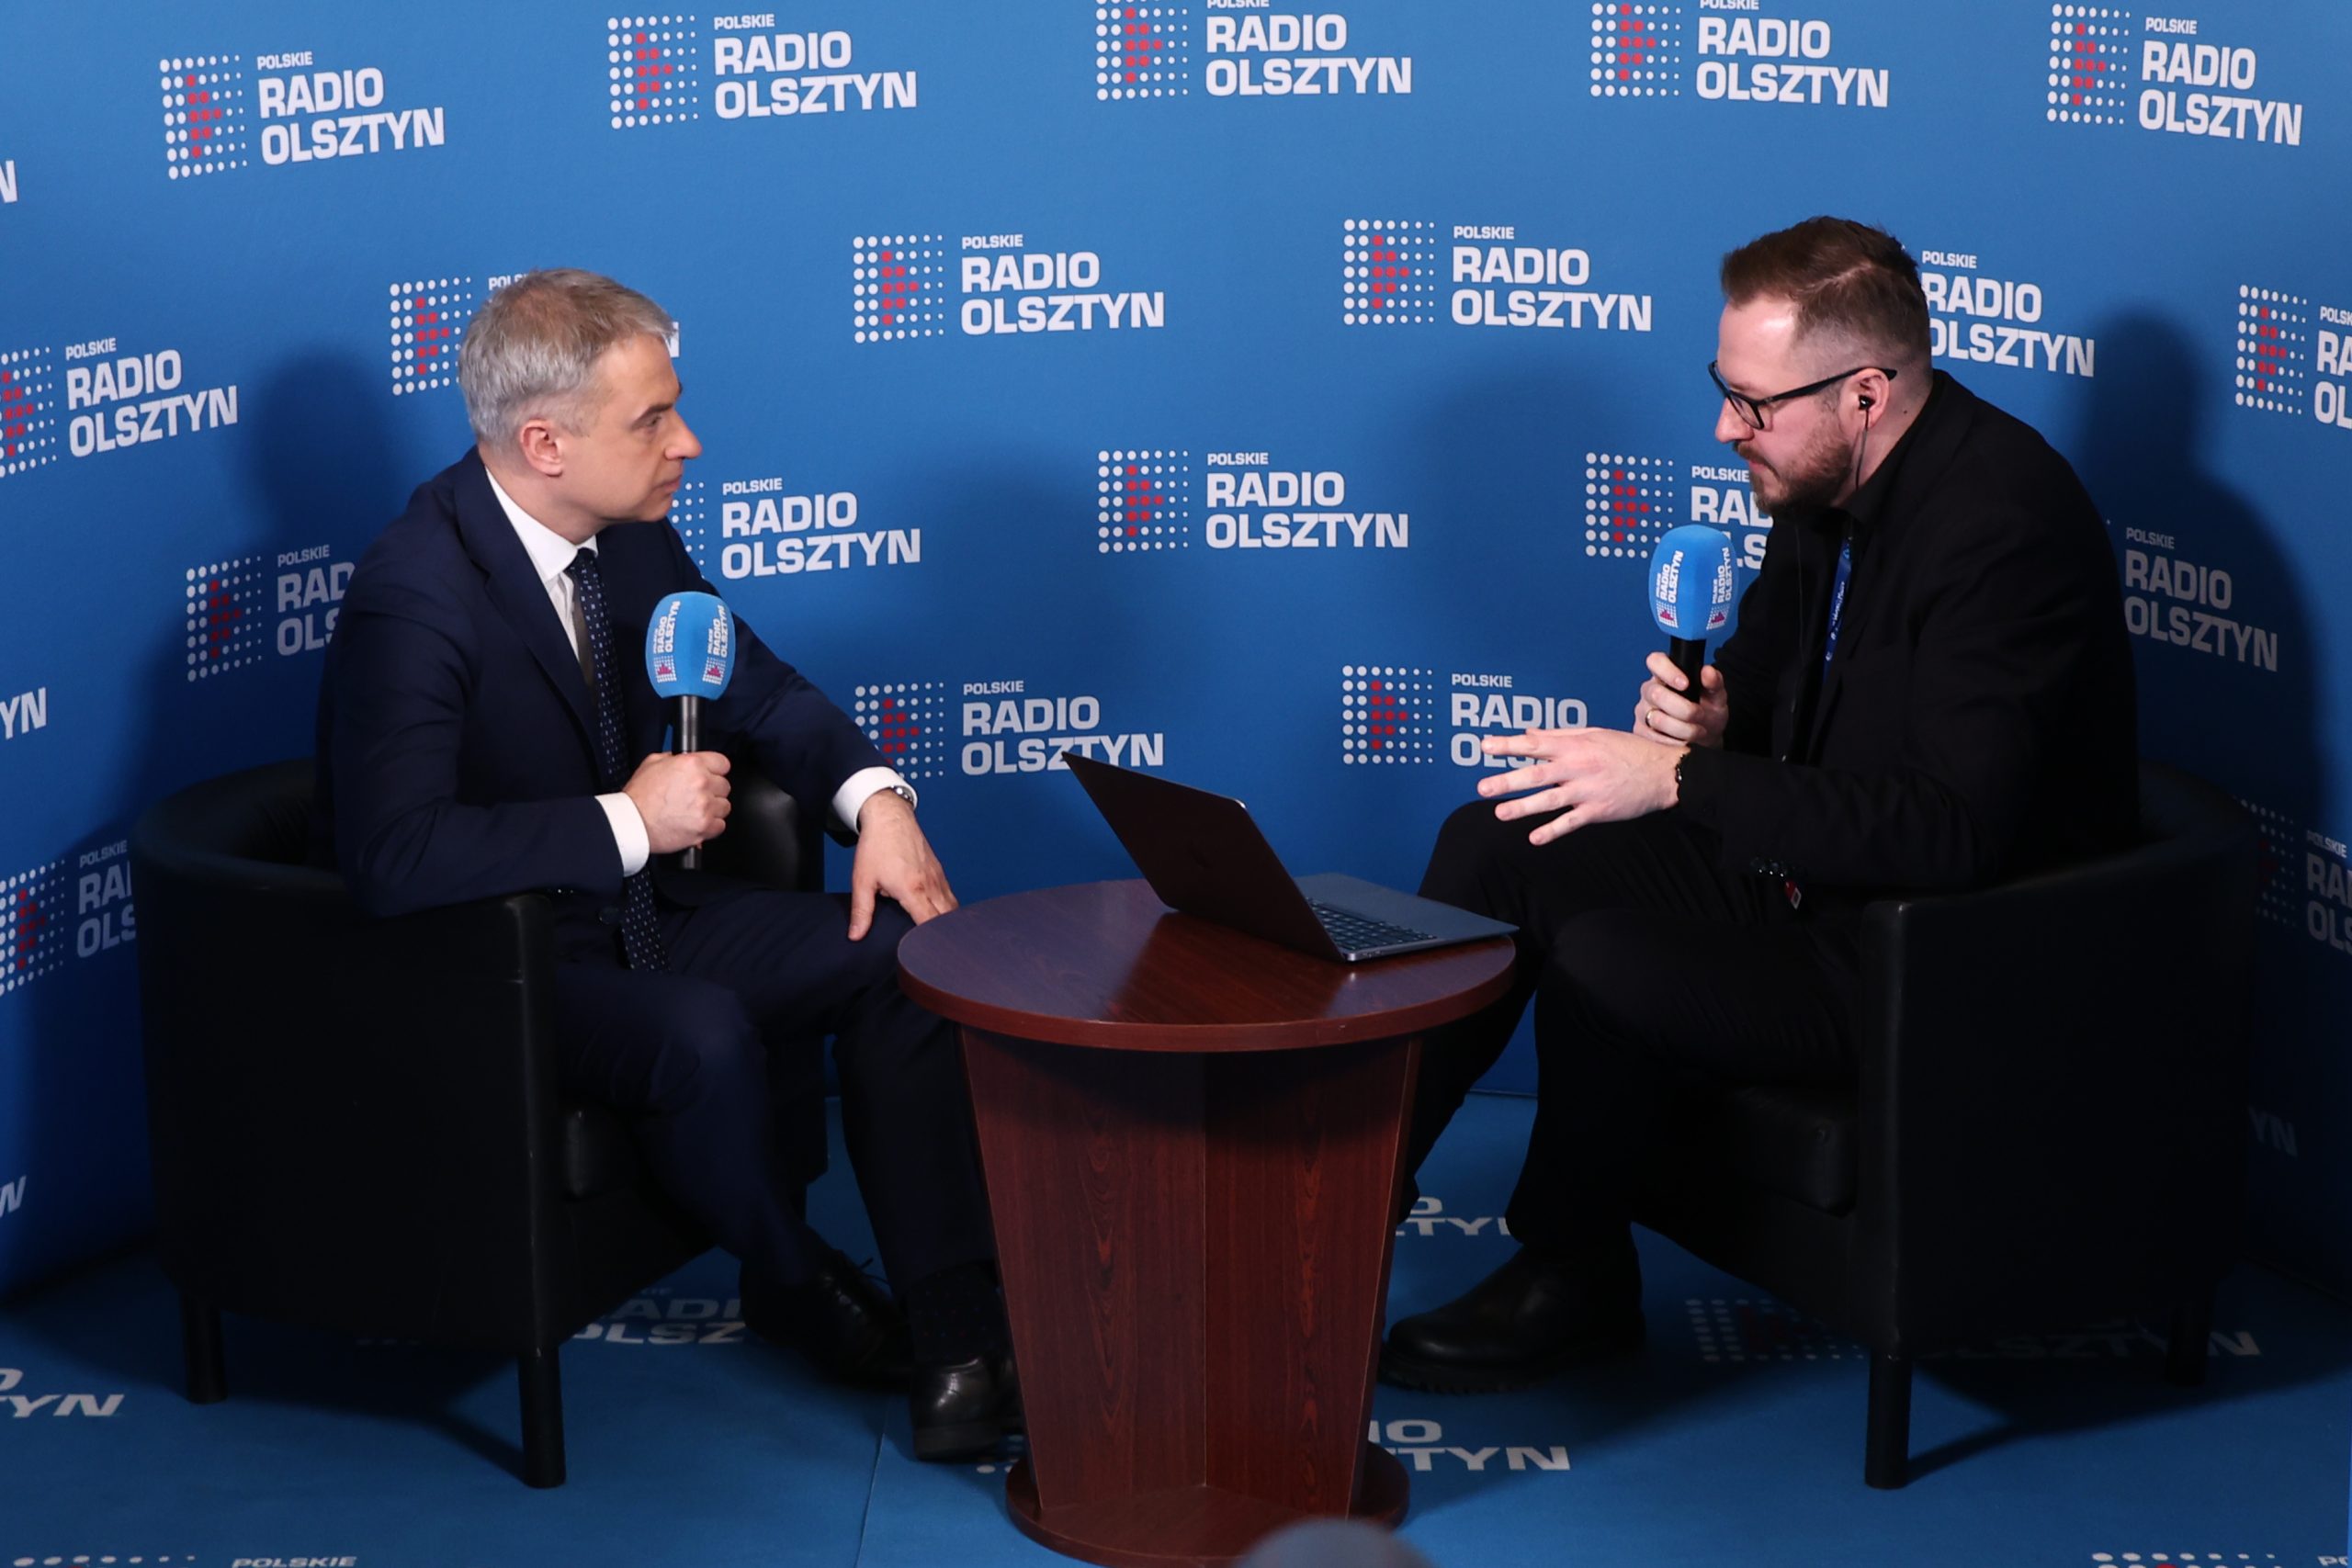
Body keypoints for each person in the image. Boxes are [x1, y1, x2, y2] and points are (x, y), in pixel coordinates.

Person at [1380, 217, 2138, 1392]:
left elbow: (1953, 831)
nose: (1725, 429)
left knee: (1606, 957)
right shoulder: (1818, 482)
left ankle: (1570, 1274)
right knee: (1501, 837)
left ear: (1866, 393)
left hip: (1924, 955)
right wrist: (1719, 723)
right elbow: (1779, 688)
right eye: (1723, 391)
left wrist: (1680, 777)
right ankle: (1340, 1195)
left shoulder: (2003, 526)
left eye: (1752, 404)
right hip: (1804, 877)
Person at [315, 268, 1014, 1459]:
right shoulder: (414, 594)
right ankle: (795, 1279)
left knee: (902, 947)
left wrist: (879, 803)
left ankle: (957, 1337)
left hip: (647, 913)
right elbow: (393, 852)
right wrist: (627, 819)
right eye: (652, 420)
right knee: (697, 1031)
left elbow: (764, 690)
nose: (687, 442)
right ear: (545, 443)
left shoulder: (630, 537)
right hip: (508, 960)